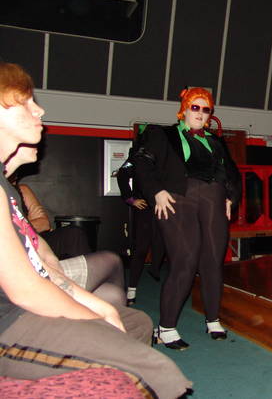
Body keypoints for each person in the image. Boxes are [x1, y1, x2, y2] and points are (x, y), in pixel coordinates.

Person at [0, 61, 192, 398]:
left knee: (136, 323)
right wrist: (93, 315)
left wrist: (98, 306)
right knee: (157, 370)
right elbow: (26, 290)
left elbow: (42, 265)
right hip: (9, 324)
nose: (39, 109)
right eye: (26, 102)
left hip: (22, 308)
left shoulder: (8, 189)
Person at [135, 87, 241, 349]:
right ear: (184, 109)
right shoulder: (163, 134)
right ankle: (166, 327)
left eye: (206, 109)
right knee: (185, 259)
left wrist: (230, 197)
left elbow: (232, 173)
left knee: (213, 260)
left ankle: (213, 319)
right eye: (195, 107)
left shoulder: (216, 141)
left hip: (213, 200)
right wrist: (156, 191)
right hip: (178, 198)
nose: (201, 113)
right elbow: (141, 163)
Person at [10, 164, 126, 306]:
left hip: (38, 239)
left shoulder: (23, 190)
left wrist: (24, 224)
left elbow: (44, 224)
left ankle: (89, 280)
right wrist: (26, 222)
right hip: (21, 249)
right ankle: (86, 291)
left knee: (73, 232)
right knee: (113, 272)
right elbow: (12, 232)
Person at [117, 125, 166, 306]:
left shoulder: (166, 156)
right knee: (141, 249)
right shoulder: (137, 156)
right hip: (144, 207)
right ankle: (131, 289)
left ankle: (158, 272)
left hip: (163, 207)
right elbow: (122, 174)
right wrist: (131, 199)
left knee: (165, 244)